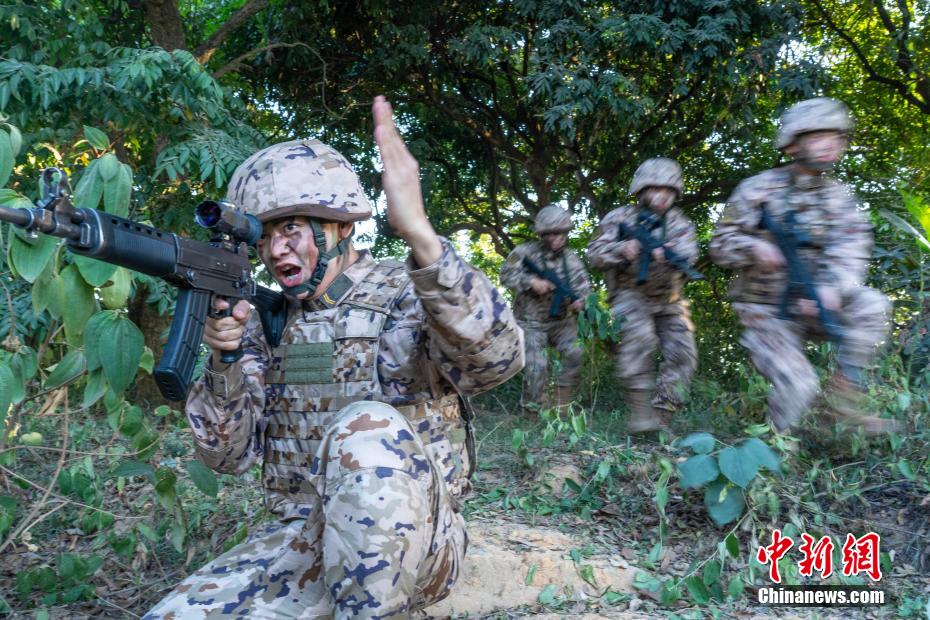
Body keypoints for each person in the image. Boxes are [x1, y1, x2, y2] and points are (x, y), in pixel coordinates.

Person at [144, 96, 524, 619]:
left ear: (341, 226)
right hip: (303, 540)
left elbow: (499, 359)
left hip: (420, 545)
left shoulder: (407, 292)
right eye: (264, 236)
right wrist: (224, 359)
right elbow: (226, 458)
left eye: (291, 229)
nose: (276, 250)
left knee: (366, 427)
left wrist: (421, 236)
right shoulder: (264, 321)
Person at [709, 97, 899, 434]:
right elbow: (719, 246)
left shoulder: (838, 197)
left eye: (836, 137)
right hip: (766, 309)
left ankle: (839, 405)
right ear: (793, 144)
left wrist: (832, 287)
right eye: (818, 136)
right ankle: (779, 448)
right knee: (800, 383)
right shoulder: (757, 189)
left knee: (873, 305)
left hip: (815, 303)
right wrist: (753, 247)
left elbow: (852, 248)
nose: (829, 145)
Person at [588, 158, 699, 433]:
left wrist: (670, 254)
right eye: (655, 189)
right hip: (630, 294)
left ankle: (662, 419)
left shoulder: (679, 222)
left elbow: (689, 253)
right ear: (641, 190)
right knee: (640, 338)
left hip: (670, 300)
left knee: (684, 353)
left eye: (669, 190)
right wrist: (622, 249)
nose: (662, 196)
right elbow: (594, 254)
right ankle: (640, 414)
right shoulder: (619, 218)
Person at [500, 205, 591, 415]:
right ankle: (533, 411)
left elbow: (584, 289)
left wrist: (581, 303)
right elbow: (505, 275)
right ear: (542, 234)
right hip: (530, 322)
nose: (557, 238)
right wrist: (530, 282)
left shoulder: (572, 260)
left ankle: (562, 406)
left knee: (575, 353)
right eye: (551, 233)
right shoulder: (524, 252)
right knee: (536, 365)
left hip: (562, 322)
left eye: (561, 233)